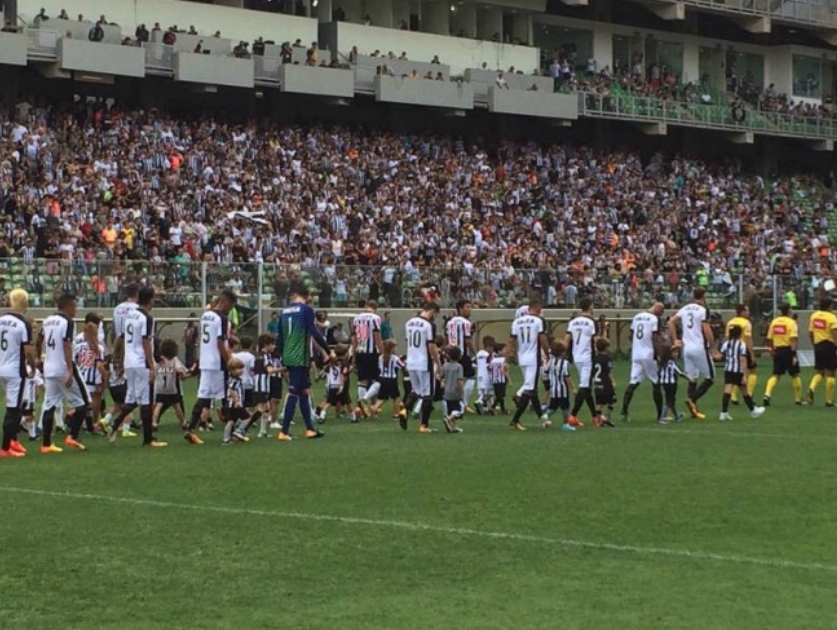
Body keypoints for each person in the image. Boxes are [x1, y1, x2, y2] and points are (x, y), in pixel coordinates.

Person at [108, 287, 167, 448]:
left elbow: (123, 338)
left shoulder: (130, 316)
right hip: (141, 362)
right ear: (150, 299)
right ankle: (148, 439)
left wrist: (120, 360)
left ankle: (114, 426)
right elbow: (146, 341)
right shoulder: (146, 317)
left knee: (132, 398)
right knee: (146, 400)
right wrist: (151, 365)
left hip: (129, 362)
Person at [276, 283, 332, 441]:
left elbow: (279, 338)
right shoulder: (306, 310)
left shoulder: (283, 312)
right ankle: (284, 431)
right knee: (294, 392)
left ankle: (310, 429)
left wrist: (281, 357)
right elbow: (314, 331)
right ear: (305, 296)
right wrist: (328, 350)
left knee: (304, 391)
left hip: (288, 355)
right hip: (300, 357)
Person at [38, 294, 91, 453]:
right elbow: (67, 345)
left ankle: (46, 445)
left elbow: (39, 339)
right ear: (67, 306)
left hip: (49, 368)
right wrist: (69, 370)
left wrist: (37, 357)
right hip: (63, 367)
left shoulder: (47, 320)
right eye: (74, 306)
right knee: (83, 403)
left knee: (49, 404)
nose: (76, 310)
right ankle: (73, 436)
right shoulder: (67, 322)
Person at [184, 290, 237, 444]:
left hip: (206, 361)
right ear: (226, 302)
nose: (230, 309)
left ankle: (190, 429)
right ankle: (230, 433)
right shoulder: (222, 318)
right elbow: (221, 342)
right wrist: (229, 362)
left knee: (203, 397)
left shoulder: (206, 315)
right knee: (227, 397)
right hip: (217, 362)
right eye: (231, 306)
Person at [668, 287, 715, 419]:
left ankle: (693, 411)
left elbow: (671, 322)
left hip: (687, 348)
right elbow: (706, 328)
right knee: (710, 378)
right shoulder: (703, 310)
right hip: (699, 347)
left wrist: (675, 339)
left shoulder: (685, 308)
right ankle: (692, 400)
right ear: (703, 296)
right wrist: (713, 347)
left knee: (692, 378)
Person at [0, 288, 35, 458]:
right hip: (15, 370)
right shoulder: (23, 323)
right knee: (13, 408)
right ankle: (5, 447)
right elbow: (28, 350)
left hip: (2, 367)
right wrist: (33, 367)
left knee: (16, 403)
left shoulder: (2, 319)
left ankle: (12, 440)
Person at [399, 302, 442, 433]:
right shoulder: (429, 325)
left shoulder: (409, 322)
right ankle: (424, 425)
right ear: (433, 311)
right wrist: (437, 362)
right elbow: (431, 346)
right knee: (428, 394)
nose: (435, 317)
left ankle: (405, 409)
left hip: (411, 361)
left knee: (416, 391)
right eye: (435, 314)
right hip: (424, 362)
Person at [506, 299, 548, 431]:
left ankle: (542, 417)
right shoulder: (538, 321)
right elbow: (542, 339)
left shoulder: (517, 322)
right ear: (537, 308)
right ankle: (515, 420)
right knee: (529, 389)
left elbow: (511, 342)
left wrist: (506, 360)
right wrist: (547, 353)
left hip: (522, 357)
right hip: (533, 359)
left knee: (532, 388)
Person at [620, 303, 665, 422]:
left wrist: (638, 344)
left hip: (636, 354)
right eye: (660, 313)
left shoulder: (637, 316)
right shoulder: (654, 319)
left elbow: (631, 335)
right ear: (657, 310)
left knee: (633, 382)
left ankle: (624, 411)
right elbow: (655, 338)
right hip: (649, 354)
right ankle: (660, 415)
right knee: (656, 383)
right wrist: (659, 354)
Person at [718, 325, 765, 421]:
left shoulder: (726, 344)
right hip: (738, 370)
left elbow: (719, 357)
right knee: (744, 391)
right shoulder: (742, 344)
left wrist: (712, 354)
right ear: (739, 333)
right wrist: (744, 374)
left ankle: (723, 413)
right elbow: (742, 360)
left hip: (728, 369)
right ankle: (753, 411)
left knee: (728, 390)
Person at [564, 297, 598, 428]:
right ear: (590, 307)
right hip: (588, 356)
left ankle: (595, 417)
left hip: (576, 356)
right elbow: (596, 340)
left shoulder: (573, 321)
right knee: (584, 386)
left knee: (587, 388)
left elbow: (567, 339)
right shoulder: (591, 322)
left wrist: (561, 353)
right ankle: (572, 416)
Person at [763, 303, 803, 406]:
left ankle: (767, 394)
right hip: (788, 350)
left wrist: (772, 349)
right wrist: (793, 354)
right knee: (795, 374)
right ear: (789, 310)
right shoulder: (792, 323)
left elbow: (769, 338)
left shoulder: (774, 322)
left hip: (778, 350)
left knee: (776, 375)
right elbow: (793, 339)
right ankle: (798, 399)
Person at [73, 312, 107, 432]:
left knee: (82, 401)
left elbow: (75, 358)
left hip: (80, 373)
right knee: (95, 400)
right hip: (93, 376)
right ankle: (93, 423)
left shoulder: (78, 340)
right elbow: (99, 365)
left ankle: (80, 422)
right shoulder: (98, 346)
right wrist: (105, 379)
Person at [352, 301, 383, 415]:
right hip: (371, 352)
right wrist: (383, 352)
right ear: (375, 308)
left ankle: (363, 409)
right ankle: (364, 399)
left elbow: (354, 339)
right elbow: (377, 337)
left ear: (366, 307)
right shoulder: (375, 318)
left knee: (362, 381)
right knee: (378, 379)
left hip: (360, 351)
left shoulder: (356, 318)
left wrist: (354, 354)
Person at [153, 339, 191, 431]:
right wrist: (185, 375)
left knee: (158, 405)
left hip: (159, 387)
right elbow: (179, 370)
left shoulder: (158, 360)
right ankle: (183, 422)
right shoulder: (174, 360)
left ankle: (153, 423)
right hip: (171, 387)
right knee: (177, 406)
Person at [446, 300, 476, 412]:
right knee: (471, 376)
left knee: (452, 380)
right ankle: (463, 403)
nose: (469, 309)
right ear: (460, 308)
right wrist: (474, 352)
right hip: (461, 353)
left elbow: (446, 337)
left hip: (450, 353)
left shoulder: (450, 322)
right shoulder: (466, 323)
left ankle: (451, 403)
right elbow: (467, 340)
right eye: (467, 307)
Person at [807, 297, 837, 406]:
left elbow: (810, 332)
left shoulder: (814, 316)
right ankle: (828, 401)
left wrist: (814, 343)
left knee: (820, 372)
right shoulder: (832, 317)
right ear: (829, 306)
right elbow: (834, 334)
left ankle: (811, 387)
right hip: (829, 345)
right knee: (831, 372)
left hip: (818, 344)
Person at [540, 340, 574, 431]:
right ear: (562, 352)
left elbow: (546, 372)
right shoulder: (565, 363)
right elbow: (567, 377)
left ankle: (545, 416)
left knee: (553, 407)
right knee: (565, 408)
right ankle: (565, 424)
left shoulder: (551, 362)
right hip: (563, 389)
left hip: (553, 389)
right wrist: (572, 389)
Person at [725, 304, 756, 405]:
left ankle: (734, 397)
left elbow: (727, 338)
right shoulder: (746, 323)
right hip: (743, 349)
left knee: (735, 372)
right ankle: (749, 394)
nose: (749, 313)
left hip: (732, 349)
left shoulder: (730, 322)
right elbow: (748, 339)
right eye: (747, 311)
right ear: (742, 312)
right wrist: (751, 354)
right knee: (752, 371)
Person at [253, 334, 279, 438]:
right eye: (272, 344)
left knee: (266, 408)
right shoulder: (266, 356)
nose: (274, 347)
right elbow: (270, 370)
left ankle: (262, 432)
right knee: (262, 408)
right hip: (262, 384)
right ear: (265, 345)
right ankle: (243, 427)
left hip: (259, 383)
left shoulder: (257, 354)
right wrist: (284, 368)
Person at [222, 358, 250, 445]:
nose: (241, 371)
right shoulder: (235, 380)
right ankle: (239, 431)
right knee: (247, 417)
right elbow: (232, 390)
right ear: (231, 370)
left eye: (242, 368)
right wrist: (236, 400)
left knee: (231, 421)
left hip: (231, 404)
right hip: (235, 404)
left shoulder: (235, 379)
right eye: (239, 369)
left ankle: (226, 439)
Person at [658, 346, 689, 424]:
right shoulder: (671, 363)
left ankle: (676, 416)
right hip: (671, 384)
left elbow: (659, 373)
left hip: (665, 383)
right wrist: (690, 379)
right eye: (674, 352)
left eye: (677, 352)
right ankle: (662, 417)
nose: (676, 354)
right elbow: (680, 373)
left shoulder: (663, 362)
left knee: (671, 400)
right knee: (669, 401)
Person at [373, 339, 403, 418]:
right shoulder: (395, 358)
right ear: (392, 348)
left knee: (381, 397)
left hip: (382, 378)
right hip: (392, 379)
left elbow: (379, 367)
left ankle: (374, 408)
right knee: (396, 397)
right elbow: (402, 366)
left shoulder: (381, 357)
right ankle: (396, 414)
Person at [592, 338, 616, 427]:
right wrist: (613, 382)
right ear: (606, 348)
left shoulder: (595, 358)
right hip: (605, 383)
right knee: (612, 401)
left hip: (597, 383)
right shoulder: (607, 358)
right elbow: (609, 371)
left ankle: (599, 421)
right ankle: (607, 417)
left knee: (599, 403)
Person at [441, 346, 465, 433]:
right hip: (455, 392)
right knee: (460, 410)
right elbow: (459, 381)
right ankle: (449, 419)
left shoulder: (445, 365)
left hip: (446, 392)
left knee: (451, 409)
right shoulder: (459, 367)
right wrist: (462, 392)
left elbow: (442, 377)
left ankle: (453, 426)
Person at [474, 336, 494, 414]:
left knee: (482, 392)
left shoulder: (479, 353)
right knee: (489, 392)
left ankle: (485, 407)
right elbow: (489, 366)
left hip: (479, 375)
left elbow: (474, 363)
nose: (492, 349)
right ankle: (479, 401)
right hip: (487, 376)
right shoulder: (488, 355)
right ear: (488, 347)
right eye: (491, 347)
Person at [490, 344, 509, 415]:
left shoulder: (493, 360)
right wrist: (509, 380)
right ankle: (492, 407)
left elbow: (489, 368)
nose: (506, 351)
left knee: (499, 395)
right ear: (499, 351)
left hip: (495, 379)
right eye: (504, 349)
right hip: (501, 379)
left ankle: (503, 410)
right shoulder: (503, 360)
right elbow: (505, 370)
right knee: (500, 396)